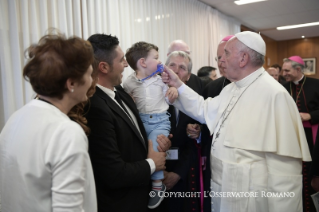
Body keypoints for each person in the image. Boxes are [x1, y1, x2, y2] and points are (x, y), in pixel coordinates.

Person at [162, 31, 311, 212]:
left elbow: (285, 174)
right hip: (223, 191)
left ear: (243, 58)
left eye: (226, 53)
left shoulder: (275, 95)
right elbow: (203, 108)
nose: (221, 60)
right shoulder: (231, 89)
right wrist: (177, 83)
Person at [0, 33, 97, 212]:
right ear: (72, 83)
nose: (92, 82)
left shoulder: (15, 118)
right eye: (90, 74)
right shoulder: (66, 131)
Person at [85, 34, 171, 212]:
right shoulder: (95, 107)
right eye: (121, 60)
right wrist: (153, 163)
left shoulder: (122, 92)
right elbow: (112, 173)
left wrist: (162, 141)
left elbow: (137, 135)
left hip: (140, 196)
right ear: (104, 67)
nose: (126, 64)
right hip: (122, 203)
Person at [123, 41, 178, 209]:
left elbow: (169, 99)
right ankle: (144, 183)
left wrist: (173, 91)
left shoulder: (161, 80)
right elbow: (126, 101)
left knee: (156, 147)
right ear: (143, 62)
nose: (160, 61)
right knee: (143, 153)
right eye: (156, 57)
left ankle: (157, 184)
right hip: (140, 121)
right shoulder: (128, 83)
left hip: (160, 121)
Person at [188, 35, 234, 212]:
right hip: (214, 153)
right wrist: (199, 130)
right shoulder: (213, 87)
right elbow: (205, 118)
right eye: (218, 58)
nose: (221, 62)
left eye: (225, 56)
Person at [159, 51, 202, 212]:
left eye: (182, 68)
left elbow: (192, 145)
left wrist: (177, 174)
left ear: (188, 76)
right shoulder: (148, 97)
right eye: (172, 65)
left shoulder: (193, 103)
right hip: (152, 175)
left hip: (182, 176)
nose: (176, 71)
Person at [282, 56, 319, 212]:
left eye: (287, 70)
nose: (284, 74)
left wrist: (310, 116)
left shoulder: (316, 84)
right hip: (289, 135)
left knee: (309, 171)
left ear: (298, 69)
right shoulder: (283, 86)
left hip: (311, 136)